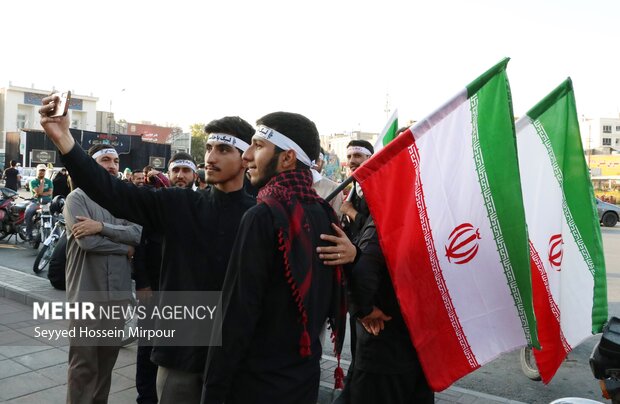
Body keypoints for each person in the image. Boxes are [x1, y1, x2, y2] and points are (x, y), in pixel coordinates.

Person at [38, 100, 256, 404]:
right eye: (208, 148)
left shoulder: (259, 216)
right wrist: (64, 140)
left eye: (223, 149)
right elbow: (114, 192)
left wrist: (350, 256)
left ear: (246, 157)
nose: (211, 156)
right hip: (181, 354)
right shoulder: (180, 205)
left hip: (235, 357)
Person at [201, 112, 354, 404]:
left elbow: (235, 318)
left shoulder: (262, 216)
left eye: (258, 146)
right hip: (302, 384)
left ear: (287, 159)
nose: (247, 155)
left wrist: (213, 392)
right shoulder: (324, 213)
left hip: (256, 387)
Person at [63, 144, 142, 403]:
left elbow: (140, 233)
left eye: (116, 161)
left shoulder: (125, 198)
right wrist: (125, 246)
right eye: (105, 159)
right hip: (88, 295)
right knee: (83, 365)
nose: (112, 165)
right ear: (91, 164)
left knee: (107, 363)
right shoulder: (77, 198)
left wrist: (100, 227)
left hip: (117, 295)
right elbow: (88, 243)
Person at [347, 217, 433, 403]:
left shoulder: (387, 218)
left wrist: (365, 311)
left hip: (384, 350)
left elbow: (362, 271)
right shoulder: (430, 217)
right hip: (421, 350)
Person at [25, 164, 53, 241]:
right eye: (40, 170)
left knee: (54, 216)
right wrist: (42, 183)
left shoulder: (49, 181)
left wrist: (40, 193)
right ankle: (28, 234)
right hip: (36, 202)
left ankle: (55, 234)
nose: (42, 172)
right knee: (28, 213)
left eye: (43, 171)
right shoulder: (33, 182)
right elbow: (39, 191)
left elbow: (50, 193)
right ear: (37, 171)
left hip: (47, 202)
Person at [312, 147, 343, 214]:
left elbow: (337, 220)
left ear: (322, 163)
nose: (312, 164)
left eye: (316, 160)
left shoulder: (334, 189)